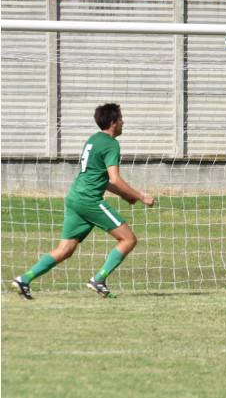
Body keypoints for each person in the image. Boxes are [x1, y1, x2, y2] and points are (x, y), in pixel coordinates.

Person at [11, 103, 154, 300]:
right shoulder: (112, 144)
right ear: (113, 123)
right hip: (89, 200)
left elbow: (98, 177)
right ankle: (99, 279)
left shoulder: (93, 140)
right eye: (121, 119)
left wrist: (123, 195)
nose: (123, 123)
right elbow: (115, 179)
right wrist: (142, 197)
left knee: (66, 249)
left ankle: (24, 279)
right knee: (128, 239)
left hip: (75, 197)